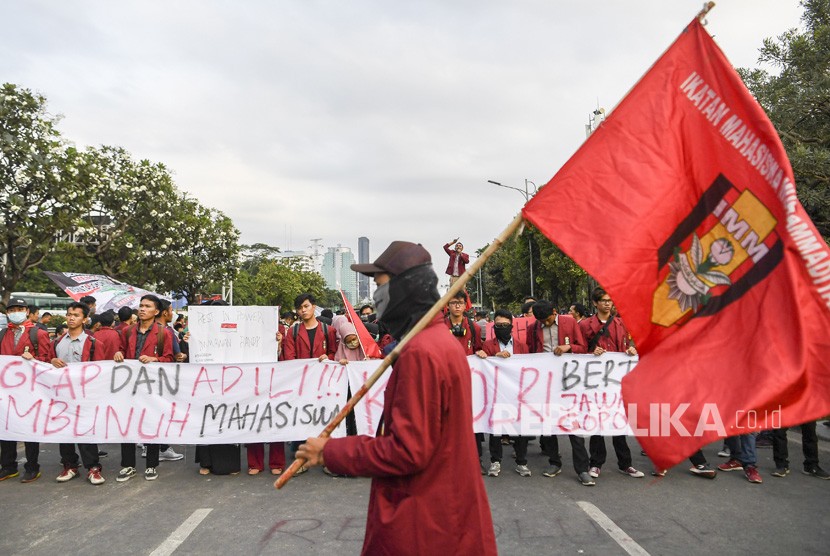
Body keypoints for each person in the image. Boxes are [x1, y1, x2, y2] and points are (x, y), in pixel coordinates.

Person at [297, 240, 497, 555]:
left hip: (422, 522)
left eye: (380, 286)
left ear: (406, 289)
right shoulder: (436, 343)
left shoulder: (422, 352)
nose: (375, 297)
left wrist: (332, 451)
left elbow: (408, 451)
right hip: (445, 511)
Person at [526, 300, 595, 485]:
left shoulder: (570, 323)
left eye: (547, 320)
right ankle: (554, 462)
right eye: (541, 321)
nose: (545, 324)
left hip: (569, 382)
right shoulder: (533, 328)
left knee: (573, 425)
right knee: (548, 425)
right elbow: (530, 353)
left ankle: (582, 469)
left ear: (555, 312)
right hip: (546, 383)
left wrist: (568, 347)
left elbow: (583, 348)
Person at [579, 287, 644, 480]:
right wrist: (591, 353)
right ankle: (596, 463)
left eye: (610, 300)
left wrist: (632, 350)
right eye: (604, 300)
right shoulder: (585, 325)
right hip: (596, 381)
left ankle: (626, 464)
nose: (608, 303)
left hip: (617, 381)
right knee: (597, 422)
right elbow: (580, 350)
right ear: (595, 303)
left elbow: (631, 344)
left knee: (618, 422)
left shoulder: (621, 324)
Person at [113, 294, 174, 482]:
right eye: (141, 305)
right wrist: (118, 353)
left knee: (151, 423)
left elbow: (170, 359)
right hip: (129, 386)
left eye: (147, 306)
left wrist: (155, 359)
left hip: (152, 387)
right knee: (127, 424)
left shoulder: (164, 333)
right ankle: (128, 465)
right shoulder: (128, 331)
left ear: (156, 312)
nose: (142, 309)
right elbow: (121, 350)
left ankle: (151, 465)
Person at [0, 298, 55, 483]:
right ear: (7, 313)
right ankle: (8, 466)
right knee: (6, 427)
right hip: (7, 392)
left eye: (20, 309)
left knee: (29, 429)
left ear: (26, 311)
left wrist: (34, 358)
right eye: (12, 309)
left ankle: (32, 467)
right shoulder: (3, 334)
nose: (16, 312)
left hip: (31, 391)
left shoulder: (38, 334)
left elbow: (47, 361)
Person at [52, 302, 107, 485]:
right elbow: (45, 363)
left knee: (85, 431)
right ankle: (69, 465)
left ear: (85, 319)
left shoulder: (93, 343)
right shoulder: (58, 342)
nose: (71, 318)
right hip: (62, 395)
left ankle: (93, 467)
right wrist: (51, 360)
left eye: (76, 315)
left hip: (85, 396)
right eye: (69, 314)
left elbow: (101, 370)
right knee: (64, 431)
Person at [475, 309, 529, 477]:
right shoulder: (488, 345)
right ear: (494, 327)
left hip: (518, 394)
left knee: (521, 429)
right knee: (495, 429)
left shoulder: (522, 346)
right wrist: (493, 357)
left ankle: (522, 462)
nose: (502, 328)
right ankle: (495, 461)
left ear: (512, 326)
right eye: (498, 325)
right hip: (496, 393)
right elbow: (485, 365)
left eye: (505, 325)